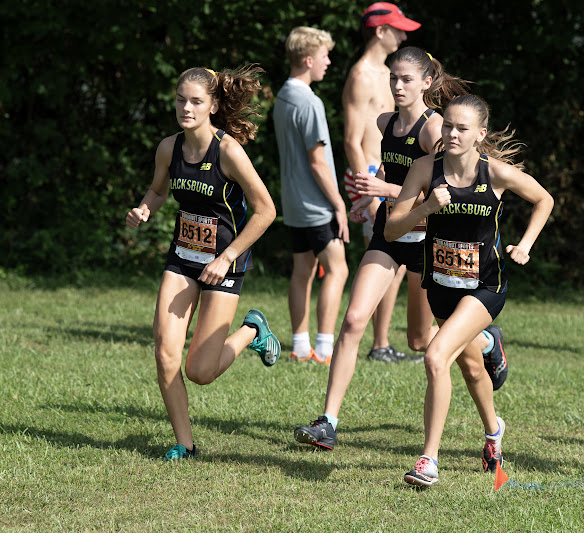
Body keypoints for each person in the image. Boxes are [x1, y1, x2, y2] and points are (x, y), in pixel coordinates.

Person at [294, 49, 509, 452]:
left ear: (427, 83)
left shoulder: (434, 131)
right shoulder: (384, 122)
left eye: (406, 79)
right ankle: (328, 421)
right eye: (393, 78)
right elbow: (391, 174)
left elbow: (445, 191)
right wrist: (368, 197)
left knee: (417, 340)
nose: (397, 86)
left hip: (428, 243)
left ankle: (483, 341)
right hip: (390, 235)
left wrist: (385, 191)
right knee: (355, 318)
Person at [385, 94, 554, 486]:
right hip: (441, 285)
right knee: (470, 366)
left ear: (480, 133)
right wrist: (425, 209)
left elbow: (544, 199)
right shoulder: (426, 169)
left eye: (462, 128)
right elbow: (393, 230)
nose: (452, 134)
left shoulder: (494, 173)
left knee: (436, 355)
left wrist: (525, 244)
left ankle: (428, 459)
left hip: (485, 286)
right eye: (447, 126)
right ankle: (494, 429)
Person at [126, 65, 280, 461]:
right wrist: (145, 209)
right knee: (165, 354)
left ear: (213, 105)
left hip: (225, 261)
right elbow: (158, 191)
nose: (186, 108)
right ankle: (186, 443)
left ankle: (252, 330)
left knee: (200, 371)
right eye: (181, 100)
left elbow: (266, 211)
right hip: (183, 257)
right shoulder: (168, 148)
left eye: (196, 101)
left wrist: (227, 257)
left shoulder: (228, 151)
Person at [341, 2, 420, 363]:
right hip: (374, 179)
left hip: (393, 178)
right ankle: (379, 344)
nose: (404, 35)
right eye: (398, 29)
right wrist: (367, 191)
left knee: (399, 263)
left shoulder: (391, 73)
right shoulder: (362, 75)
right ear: (379, 31)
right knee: (387, 259)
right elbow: (352, 140)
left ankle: (382, 343)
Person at [274, 26, 350, 365]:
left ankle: (300, 346)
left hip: (292, 203)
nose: (329, 62)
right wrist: (338, 205)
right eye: (324, 56)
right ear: (308, 60)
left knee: (302, 270)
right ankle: (323, 348)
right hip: (316, 205)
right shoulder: (309, 101)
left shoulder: (282, 96)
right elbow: (317, 161)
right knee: (338, 270)